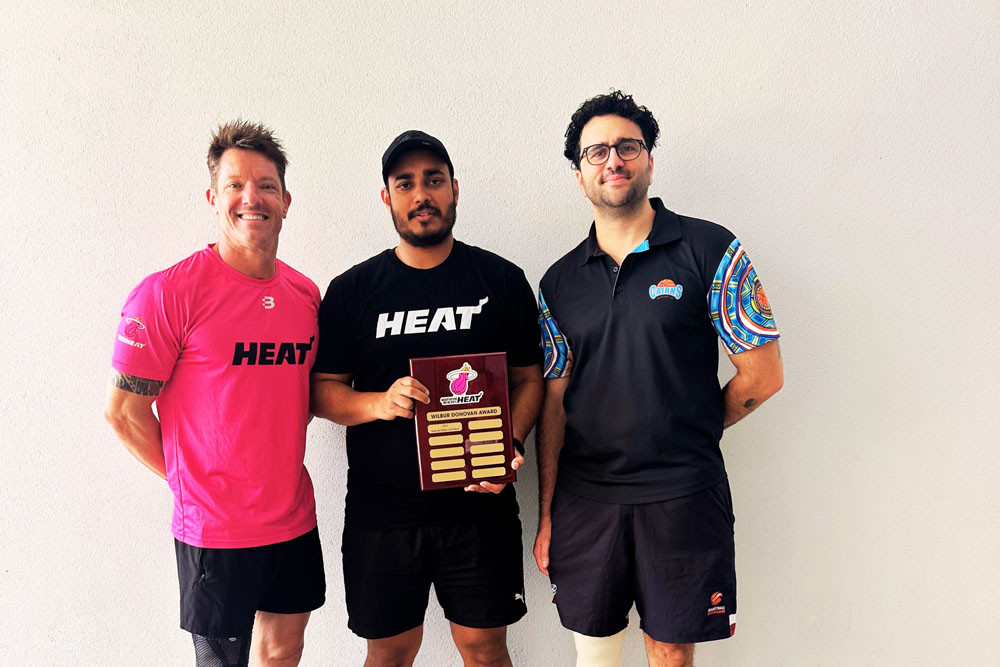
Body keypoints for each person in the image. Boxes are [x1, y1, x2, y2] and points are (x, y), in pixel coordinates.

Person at [533, 91, 784, 667]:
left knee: (669, 651)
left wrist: (685, 427)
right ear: (579, 175)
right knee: (593, 651)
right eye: (596, 151)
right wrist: (548, 511)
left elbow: (762, 375)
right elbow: (554, 402)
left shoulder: (710, 249)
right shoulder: (558, 282)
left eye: (628, 146)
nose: (613, 160)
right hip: (587, 500)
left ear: (649, 160)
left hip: (682, 494)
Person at [310, 130, 543, 667]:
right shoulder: (352, 291)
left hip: (479, 510)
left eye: (434, 180)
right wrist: (379, 403)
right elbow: (322, 393)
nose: (422, 195)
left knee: (485, 650)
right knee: (390, 653)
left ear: (454, 190)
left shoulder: (503, 280)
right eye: (405, 183)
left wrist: (510, 442)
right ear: (387, 197)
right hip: (381, 515)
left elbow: (530, 381)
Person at [104, 121, 325, 667]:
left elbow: (300, 397)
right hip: (215, 531)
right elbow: (124, 413)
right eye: (235, 185)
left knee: (284, 652)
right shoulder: (167, 294)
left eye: (266, 185)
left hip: (294, 518)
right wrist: (193, 483)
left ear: (286, 200)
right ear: (213, 197)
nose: (252, 197)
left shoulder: (305, 295)